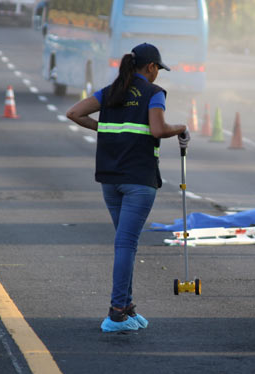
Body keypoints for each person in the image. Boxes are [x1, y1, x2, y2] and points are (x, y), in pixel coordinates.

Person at [67, 43, 189, 333]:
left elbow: (74, 113)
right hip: (139, 180)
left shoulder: (111, 91)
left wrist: (109, 129)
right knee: (126, 245)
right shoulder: (153, 94)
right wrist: (181, 128)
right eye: (158, 68)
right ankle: (117, 312)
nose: (158, 73)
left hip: (110, 180)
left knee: (126, 244)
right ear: (150, 67)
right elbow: (158, 130)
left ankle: (127, 305)